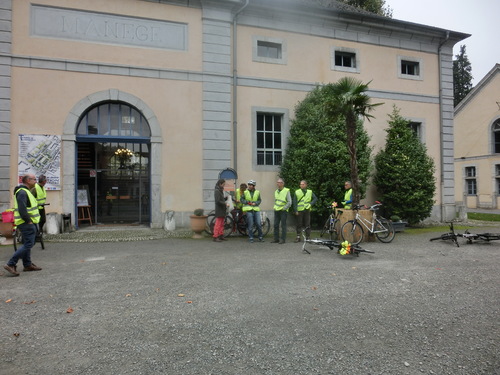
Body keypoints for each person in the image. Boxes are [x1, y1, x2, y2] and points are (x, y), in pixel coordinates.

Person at [3, 174, 42, 276]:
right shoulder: (22, 192)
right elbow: (22, 208)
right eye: (34, 179)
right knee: (29, 243)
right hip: (26, 222)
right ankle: (11, 264)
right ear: (28, 180)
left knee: (27, 243)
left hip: (27, 222)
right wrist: (28, 220)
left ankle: (27, 265)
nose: (36, 181)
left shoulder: (25, 192)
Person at [272, 178, 292, 244]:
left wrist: (284, 208)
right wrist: (275, 207)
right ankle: (276, 239)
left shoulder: (286, 191)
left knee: (283, 225)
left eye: (279, 182)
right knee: (275, 225)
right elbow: (276, 201)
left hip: (283, 210)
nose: (278, 183)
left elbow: (289, 202)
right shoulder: (276, 191)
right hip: (277, 210)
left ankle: (283, 239)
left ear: (282, 184)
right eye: (277, 182)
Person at [213, 178, 228, 242]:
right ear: (220, 184)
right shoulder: (217, 191)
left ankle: (221, 235)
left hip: (222, 209)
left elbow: (220, 199)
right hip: (219, 209)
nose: (224, 185)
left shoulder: (220, 190)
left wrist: (225, 198)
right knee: (218, 224)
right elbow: (217, 201)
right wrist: (224, 203)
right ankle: (215, 236)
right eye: (223, 184)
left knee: (221, 223)